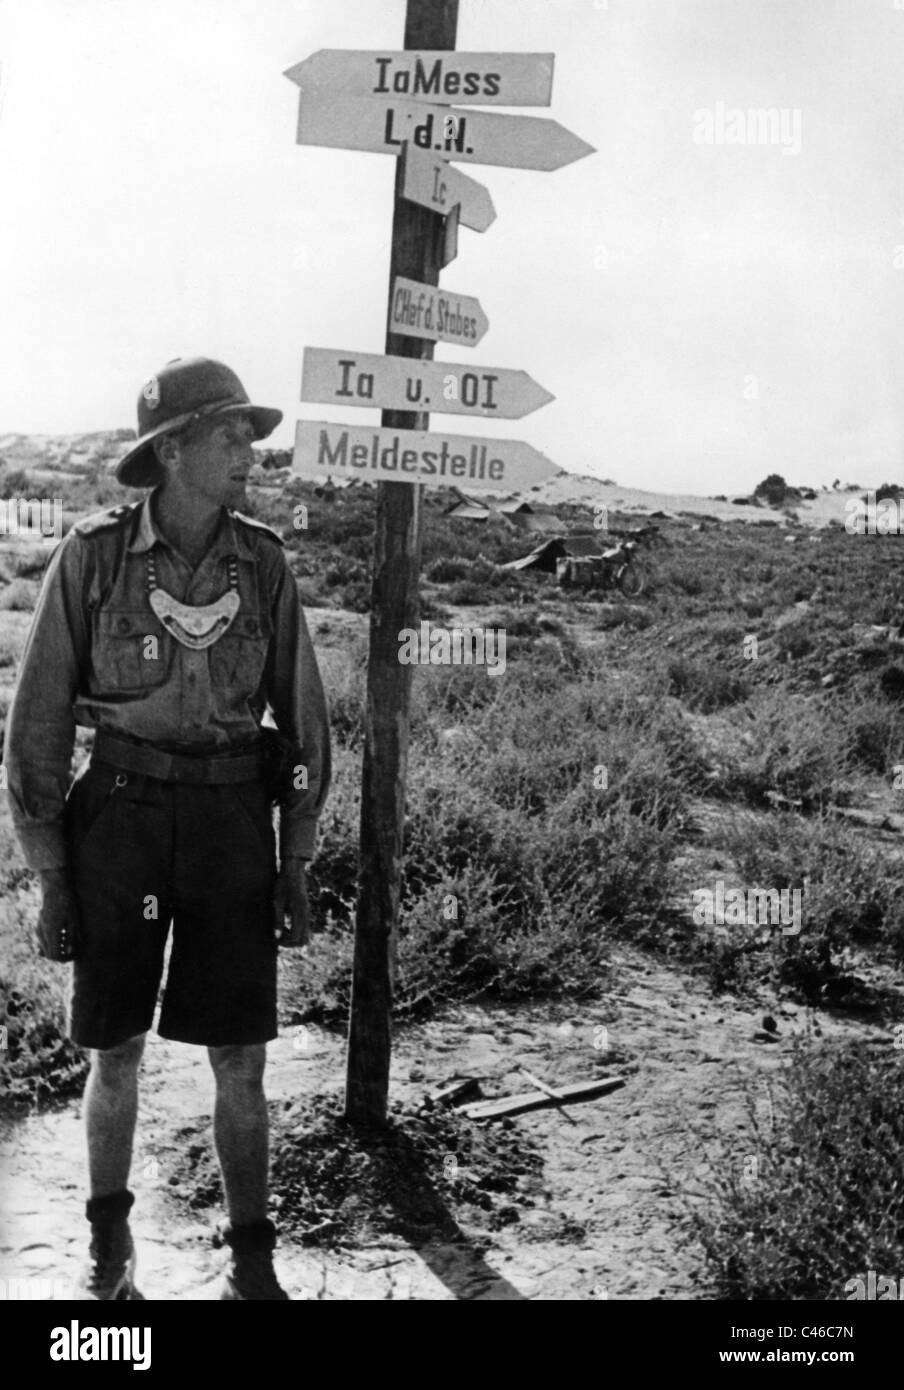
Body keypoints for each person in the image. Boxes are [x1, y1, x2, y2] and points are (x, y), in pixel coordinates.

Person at [5, 356, 331, 1300]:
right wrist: (54, 879)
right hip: (121, 818)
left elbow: (304, 726)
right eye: (230, 436)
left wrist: (297, 857)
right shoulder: (95, 556)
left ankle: (252, 1265)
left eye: (251, 437)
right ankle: (111, 1256)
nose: (250, 454)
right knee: (115, 1050)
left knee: (241, 1056)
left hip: (233, 819)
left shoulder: (264, 564)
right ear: (173, 449)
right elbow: (35, 729)